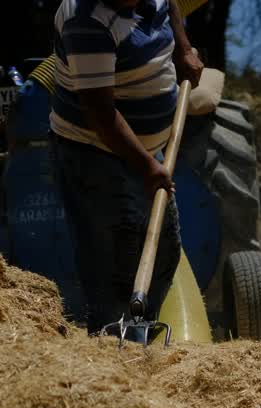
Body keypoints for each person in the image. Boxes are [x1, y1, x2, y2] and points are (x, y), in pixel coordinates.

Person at [49, 0, 203, 336]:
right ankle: (115, 352)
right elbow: (101, 115)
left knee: (163, 255)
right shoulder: (86, 22)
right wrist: (148, 166)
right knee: (115, 272)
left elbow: (170, 4)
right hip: (95, 153)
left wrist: (184, 48)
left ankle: (141, 335)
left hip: (145, 153)